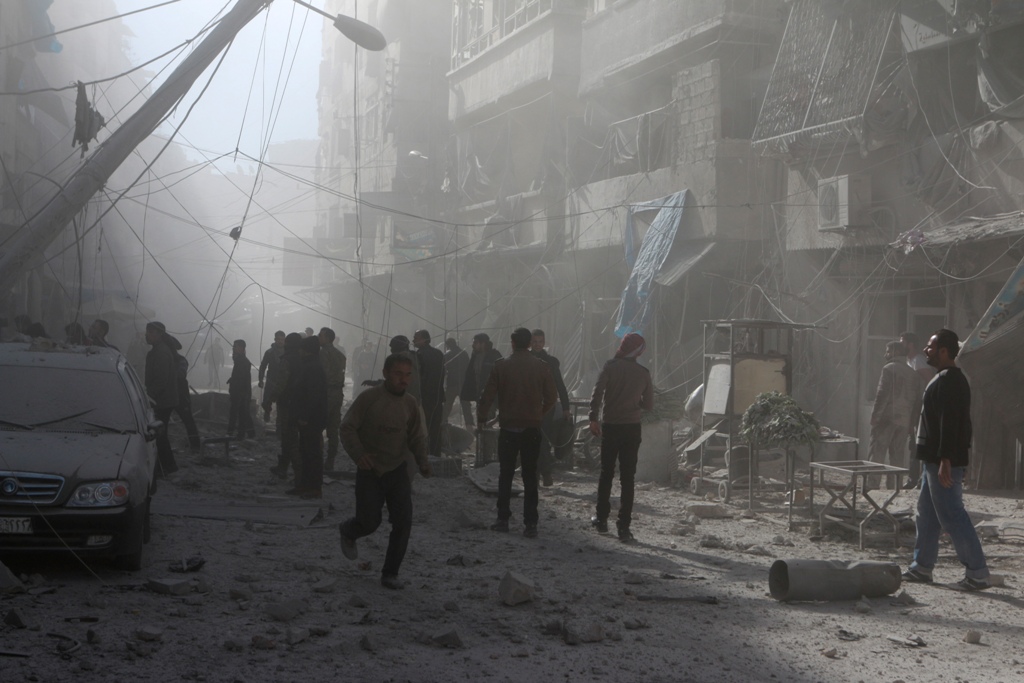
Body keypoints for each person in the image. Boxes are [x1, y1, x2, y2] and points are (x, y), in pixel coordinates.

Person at [902, 329, 991, 591]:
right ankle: (922, 567)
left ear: (944, 351)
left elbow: (951, 424)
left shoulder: (951, 381)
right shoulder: (944, 378)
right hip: (934, 460)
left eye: (931, 347)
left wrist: (946, 459)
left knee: (952, 514)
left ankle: (977, 573)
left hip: (943, 462)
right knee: (927, 515)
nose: (926, 351)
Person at [338, 353, 432, 590]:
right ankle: (349, 530)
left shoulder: (410, 403)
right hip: (370, 469)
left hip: (396, 469)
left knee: (403, 522)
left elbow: (416, 436)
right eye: (398, 374)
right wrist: (359, 454)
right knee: (370, 521)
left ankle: (390, 573)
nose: (403, 380)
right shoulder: (369, 398)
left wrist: (422, 460)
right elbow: (347, 427)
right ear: (386, 374)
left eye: (408, 375)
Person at [479, 327, 557, 538]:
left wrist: (481, 418)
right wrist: (538, 414)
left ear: (512, 343)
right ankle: (530, 524)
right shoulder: (542, 367)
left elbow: (487, 396)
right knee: (530, 475)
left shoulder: (501, 366)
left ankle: (503, 519)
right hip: (532, 428)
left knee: (505, 474)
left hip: (509, 429)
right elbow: (551, 397)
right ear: (530, 344)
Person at [589, 332, 655, 542]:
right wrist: (635, 403)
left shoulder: (610, 366)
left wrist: (593, 418)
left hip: (611, 426)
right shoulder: (643, 373)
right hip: (632, 428)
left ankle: (601, 520)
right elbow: (649, 405)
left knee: (606, 473)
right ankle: (624, 528)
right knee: (628, 478)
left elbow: (597, 393)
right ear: (639, 351)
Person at [869, 341, 923, 489]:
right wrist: (912, 423)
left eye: (887, 351)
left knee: (877, 452)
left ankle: (872, 485)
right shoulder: (914, 374)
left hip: (887, 417)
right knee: (897, 455)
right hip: (904, 421)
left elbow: (882, 394)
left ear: (895, 352)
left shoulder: (889, 369)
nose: (885, 355)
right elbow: (918, 402)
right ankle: (895, 487)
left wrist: (875, 416)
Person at [530, 329, 572, 487]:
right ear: (530, 343)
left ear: (544, 342)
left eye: (540, 342)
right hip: (528, 407)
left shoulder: (551, 362)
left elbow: (560, 386)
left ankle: (544, 473)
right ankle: (542, 474)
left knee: (542, 440)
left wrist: (566, 408)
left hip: (547, 407)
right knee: (533, 441)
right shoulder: (525, 360)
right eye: (535, 342)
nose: (538, 345)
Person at [289, 336, 328, 498]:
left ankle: (314, 487)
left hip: (312, 419)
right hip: (308, 417)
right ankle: (304, 485)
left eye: (302, 348)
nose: (299, 351)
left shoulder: (313, 368)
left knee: (312, 453)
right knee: (304, 451)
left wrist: (304, 416)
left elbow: (313, 396)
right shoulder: (309, 365)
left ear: (307, 350)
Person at [144, 321, 179, 476]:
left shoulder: (161, 352)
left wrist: (149, 396)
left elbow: (161, 380)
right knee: (159, 435)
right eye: (147, 332)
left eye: (151, 332)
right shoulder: (158, 350)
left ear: (159, 335)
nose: (147, 335)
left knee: (159, 435)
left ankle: (168, 467)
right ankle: (162, 467)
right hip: (162, 399)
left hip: (162, 401)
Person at [269, 333, 303, 480]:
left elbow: (281, 383)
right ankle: (286, 467)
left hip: (287, 403)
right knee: (294, 436)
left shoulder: (287, 360)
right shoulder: (303, 359)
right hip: (299, 402)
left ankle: (292, 471)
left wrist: (271, 398)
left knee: (288, 437)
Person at [166, 335, 202, 453]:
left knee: (188, 421)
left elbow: (181, 375)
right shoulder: (164, 360)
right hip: (167, 396)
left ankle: (195, 445)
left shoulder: (181, 360)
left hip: (180, 396)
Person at [318, 326, 347, 472]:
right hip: (338, 393)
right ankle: (330, 459)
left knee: (317, 427)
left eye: (321, 336)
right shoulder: (340, 355)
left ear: (328, 338)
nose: (318, 337)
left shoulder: (323, 354)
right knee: (333, 428)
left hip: (326, 393)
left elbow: (323, 375)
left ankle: (317, 458)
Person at [413, 329, 445, 457]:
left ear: (424, 339)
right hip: (438, 395)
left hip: (424, 396)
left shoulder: (418, 355)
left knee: (422, 426)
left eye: (416, 337)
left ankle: (425, 453)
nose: (413, 340)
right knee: (435, 426)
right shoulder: (438, 353)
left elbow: (419, 377)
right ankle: (435, 452)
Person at [459, 333, 501, 429]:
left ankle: (488, 443)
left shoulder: (494, 355)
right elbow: (470, 376)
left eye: (475, 342)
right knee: (481, 424)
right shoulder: (475, 356)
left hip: (491, 396)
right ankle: (481, 442)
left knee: (487, 422)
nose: (473, 345)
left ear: (483, 343)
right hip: (480, 396)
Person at [226, 339, 255, 439]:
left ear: (241, 348)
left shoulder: (243, 361)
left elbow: (241, 378)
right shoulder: (240, 360)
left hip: (241, 392)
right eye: (233, 346)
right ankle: (245, 434)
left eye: (236, 346)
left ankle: (232, 433)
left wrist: (236, 389)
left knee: (239, 413)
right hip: (240, 392)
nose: (233, 348)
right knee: (243, 413)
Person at [258, 331, 286, 422]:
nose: (280, 341)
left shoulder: (287, 352)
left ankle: (280, 420)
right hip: (271, 380)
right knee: (267, 401)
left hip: (282, 381)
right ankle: (267, 414)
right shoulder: (269, 352)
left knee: (281, 403)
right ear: (275, 339)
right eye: (278, 339)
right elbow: (263, 366)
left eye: (282, 339)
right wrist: (260, 379)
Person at [442, 337, 470, 426]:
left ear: (448, 345)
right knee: (466, 408)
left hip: (452, 384)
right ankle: (469, 425)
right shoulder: (464, 353)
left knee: (446, 406)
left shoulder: (447, 355)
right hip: (464, 383)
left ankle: (442, 423)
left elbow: (443, 368)